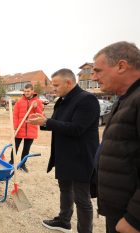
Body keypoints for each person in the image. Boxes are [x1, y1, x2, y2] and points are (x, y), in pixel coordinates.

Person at [27, 69, 100, 233]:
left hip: (81, 157)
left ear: (69, 83)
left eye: (56, 85)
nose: (53, 88)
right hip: (64, 155)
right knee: (65, 189)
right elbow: (57, 124)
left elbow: (77, 129)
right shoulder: (62, 100)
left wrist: (47, 121)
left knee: (82, 198)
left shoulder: (87, 100)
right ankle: (64, 221)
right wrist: (41, 123)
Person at [92, 41, 140, 233]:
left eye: (98, 71)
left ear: (121, 66)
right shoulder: (126, 98)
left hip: (130, 217)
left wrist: (135, 219)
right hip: (119, 207)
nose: (94, 77)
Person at [10, 83, 43, 172]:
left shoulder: (38, 102)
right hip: (20, 128)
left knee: (26, 148)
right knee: (15, 146)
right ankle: (11, 162)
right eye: (25, 91)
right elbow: (15, 115)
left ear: (32, 91)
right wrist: (15, 127)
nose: (26, 93)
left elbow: (41, 115)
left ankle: (22, 164)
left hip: (31, 129)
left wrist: (36, 108)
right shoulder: (19, 102)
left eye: (28, 91)